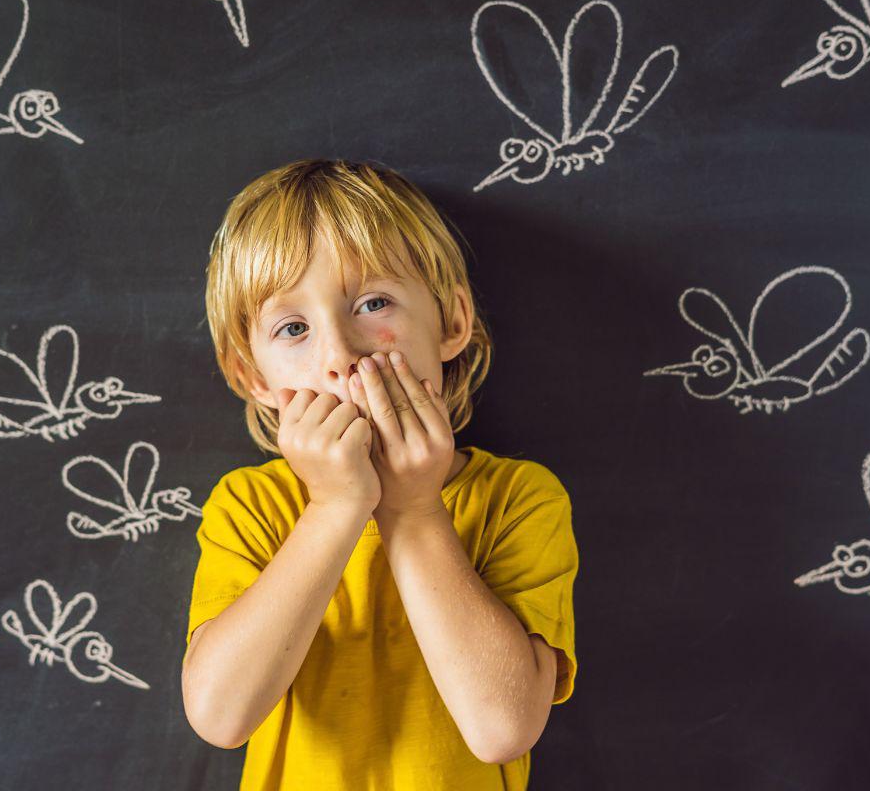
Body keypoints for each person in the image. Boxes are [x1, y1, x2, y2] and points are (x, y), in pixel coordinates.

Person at [182, 158, 578, 790]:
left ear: (452, 324)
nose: (340, 355)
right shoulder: (250, 506)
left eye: (372, 303)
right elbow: (221, 717)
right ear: (254, 379)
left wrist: (415, 508)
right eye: (293, 328)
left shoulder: (519, 498)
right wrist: (335, 508)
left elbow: (501, 728)